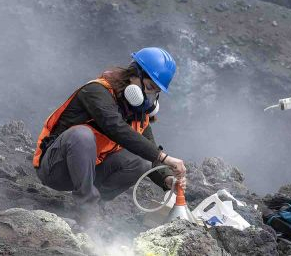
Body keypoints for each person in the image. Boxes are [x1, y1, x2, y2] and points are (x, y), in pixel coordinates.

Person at [32, 47, 186, 225]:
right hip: (56, 169)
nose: (150, 95)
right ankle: (87, 208)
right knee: (82, 135)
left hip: (90, 171)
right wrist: (165, 157)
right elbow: (116, 127)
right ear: (134, 74)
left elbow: (148, 147)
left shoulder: (138, 113)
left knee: (141, 161)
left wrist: (167, 179)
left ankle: (95, 204)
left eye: (155, 92)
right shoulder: (96, 92)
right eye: (149, 87)